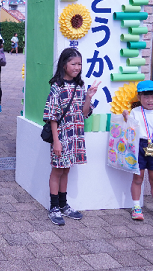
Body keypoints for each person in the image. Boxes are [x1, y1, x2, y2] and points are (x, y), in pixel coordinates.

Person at [43, 48, 99, 226]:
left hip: (75, 135)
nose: (77, 67)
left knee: (66, 169)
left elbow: (84, 113)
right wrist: (56, 142)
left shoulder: (80, 86)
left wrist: (89, 97)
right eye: (73, 64)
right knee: (57, 170)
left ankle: (63, 204)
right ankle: (53, 207)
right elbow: (52, 116)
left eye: (79, 64)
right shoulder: (56, 87)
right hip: (61, 136)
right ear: (64, 64)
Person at [122, 80, 153, 222]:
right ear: (139, 98)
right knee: (138, 178)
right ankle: (136, 207)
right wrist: (125, 116)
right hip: (139, 145)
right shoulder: (135, 112)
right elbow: (129, 128)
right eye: (146, 97)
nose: (150, 100)